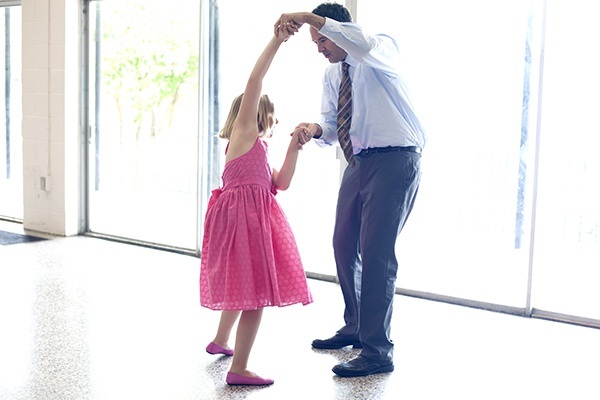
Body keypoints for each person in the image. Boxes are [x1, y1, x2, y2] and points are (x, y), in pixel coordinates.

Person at [274, 3, 426, 378]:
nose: (319, 48)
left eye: (322, 39)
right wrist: (315, 128)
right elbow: (331, 122)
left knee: (376, 254)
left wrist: (308, 17)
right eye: (315, 42)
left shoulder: (379, 50)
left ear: (339, 30)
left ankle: (378, 351)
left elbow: (359, 42)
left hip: (395, 159)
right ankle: (356, 327)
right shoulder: (332, 74)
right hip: (359, 161)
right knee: (344, 243)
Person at [200, 24, 313, 387]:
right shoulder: (245, 132)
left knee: (242, 284)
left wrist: (293, 148)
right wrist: (277, 40)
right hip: (242, 222)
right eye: (274, 117)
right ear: (259, 115)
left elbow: (281, 183)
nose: (277, 123)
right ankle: (240, 368)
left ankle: (220, 341)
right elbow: (255, 80)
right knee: (255, 294)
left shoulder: (258, 151)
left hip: (246, 221)